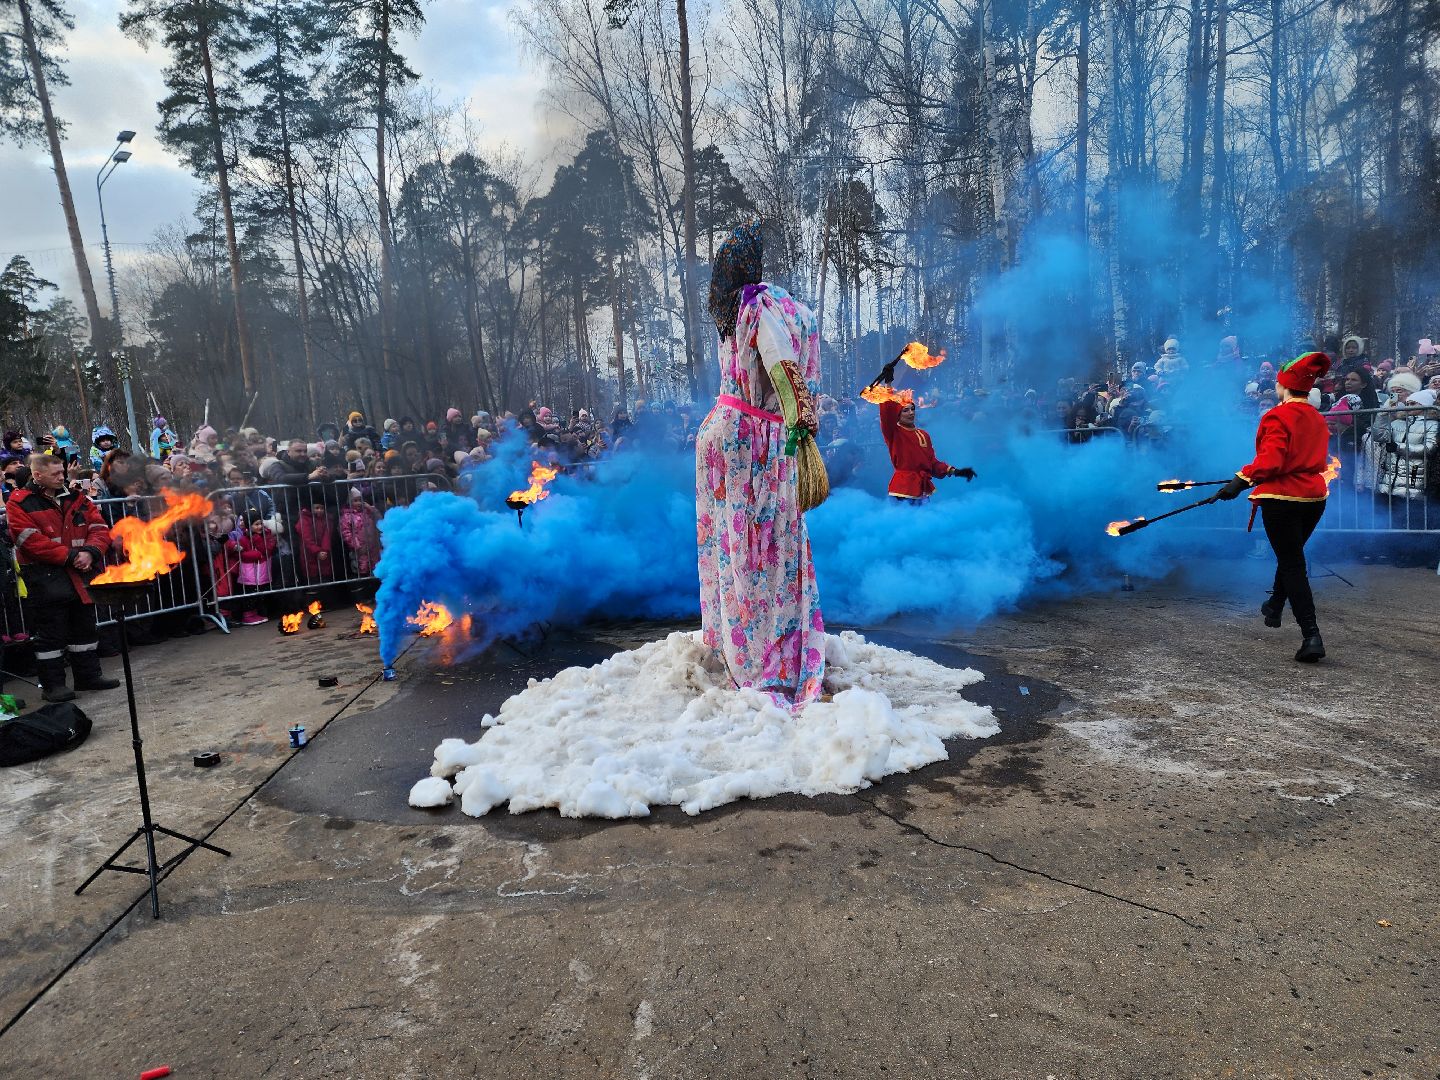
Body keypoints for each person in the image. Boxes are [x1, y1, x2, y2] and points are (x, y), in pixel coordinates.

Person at [695, 220, 825, 707]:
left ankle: (737, 646)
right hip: (754, 446)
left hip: (727, 438)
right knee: (760, 549)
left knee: (736, 548)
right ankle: (760, 659)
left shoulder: (733, 310)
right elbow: (783, 368)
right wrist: (802, 423)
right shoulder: (760, 306)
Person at [1216, 352, 1333, 663]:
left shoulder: (1276, 416)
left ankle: (1311, 635)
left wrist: (1240, 481)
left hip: (1282, 498)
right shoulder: (1317, 418)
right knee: (1291, 556)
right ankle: (1275, 605)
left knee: (1292, 563)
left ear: (1283, 386)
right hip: (1313, 497)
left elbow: (1271, 462)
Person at [5, 454, 120, 701]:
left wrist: (91, 552)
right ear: (37, 475)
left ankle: (88, 676)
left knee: (85, 627)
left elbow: (99, 528)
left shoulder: (77, 497)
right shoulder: (20, 502)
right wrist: (70, 556)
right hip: (46, 575)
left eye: (62, 472)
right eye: (56, 474)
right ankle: (53, 686)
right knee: (51, 633)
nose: (62, 477)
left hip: (81, 571)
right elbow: (29, 541)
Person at [874, 385, 975, 502]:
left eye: (912, 409)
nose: (911, 413)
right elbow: (887, 414)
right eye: (905, 410)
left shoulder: (923, 434)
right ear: (898, 415)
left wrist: (956, 471)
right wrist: (888, 385)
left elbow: (932, 463)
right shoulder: (893, 433)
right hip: (902, 491)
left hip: (922, 490)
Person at [339, 488, 382, 577]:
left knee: (375, 569)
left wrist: (371, 509)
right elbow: (346, 533)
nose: (358, 503)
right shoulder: (347, 516)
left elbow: (379, 519)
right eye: (355, 501)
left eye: (360, 500)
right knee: (361, 569)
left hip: (374, 548)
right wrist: (357, 546)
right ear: (349, 503)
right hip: (360, 550)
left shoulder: (368, 512)